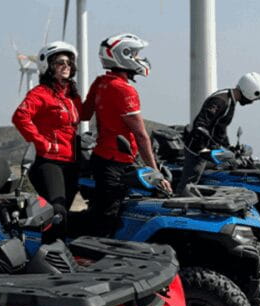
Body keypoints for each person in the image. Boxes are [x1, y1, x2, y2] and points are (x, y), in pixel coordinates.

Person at [79, 33, 169, 236]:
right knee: (109, 219)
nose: (140, 59)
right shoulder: (124, 90)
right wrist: (156, 173)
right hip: (117, 162)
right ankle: (94, 260)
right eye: (135, 54)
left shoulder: (101, 82)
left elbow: (83, 114)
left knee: (101, 212)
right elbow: (141, 135)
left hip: (101, 158)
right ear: (123, 55)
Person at [12, 41, 82, 240]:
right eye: (60, 62)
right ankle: (50, 254)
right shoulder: (39, 94)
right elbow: (20, 117)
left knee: (62, 213)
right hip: (49, 162)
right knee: (57, 210)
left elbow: (83, 114)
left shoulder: (71, 97)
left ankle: (52, 250)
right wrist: (42, 143)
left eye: (69, 62)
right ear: (48, 66)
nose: (66, 66)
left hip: (71, 162)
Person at [175, 72, 260, 195]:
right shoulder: (220, 101)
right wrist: (204, 149)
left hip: (208, 147)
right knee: (189, 183)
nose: (253, 102)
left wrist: (229, 147)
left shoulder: (230, 100)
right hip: (197, 148)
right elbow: (201, 125)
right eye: (256, 98)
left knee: (229, 165)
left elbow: (220, 128)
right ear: (250, 92)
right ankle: (179, 205)